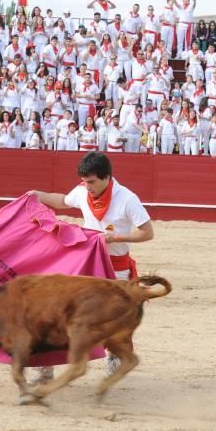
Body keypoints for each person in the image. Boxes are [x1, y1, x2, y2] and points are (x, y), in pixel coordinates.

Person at [30, 152, 155, 381]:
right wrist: (39, 195)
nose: (87, 186)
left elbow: (147, 232)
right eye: (84, 181)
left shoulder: (127, 198)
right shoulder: (82, 191)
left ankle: (115, 359)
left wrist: (115, 238)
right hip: (87, 264)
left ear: (107, 177)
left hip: (116, 269)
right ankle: (45, 366)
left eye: (91, 182)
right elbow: (62, 201)